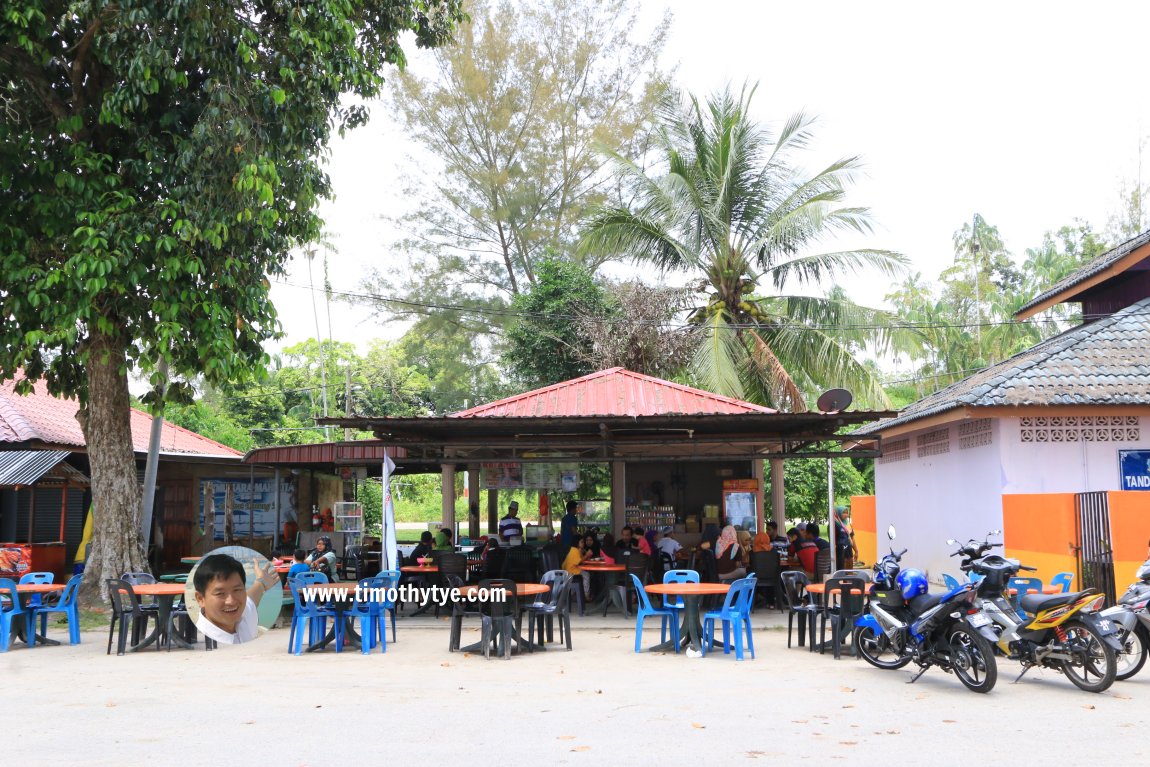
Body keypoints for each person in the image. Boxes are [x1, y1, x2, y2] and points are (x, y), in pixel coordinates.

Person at [193, 553, 279, 645]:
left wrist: (261, 582)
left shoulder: (244, 614)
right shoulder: (201, 641)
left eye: (237, 590)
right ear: (200, 599)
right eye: (220, 593)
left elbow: (252, 597)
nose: (231, 601)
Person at [562, 536, 592, 600]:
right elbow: (579, 561)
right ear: (577, 543)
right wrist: (587, 555)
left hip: (572, 569)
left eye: (583, 542)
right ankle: (586, 595)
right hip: (571, 570)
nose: (583, 543)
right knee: (587, 575)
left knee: (584, 575)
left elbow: (581, 560)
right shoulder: (574, 550)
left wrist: (585, 554)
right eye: (581, 542)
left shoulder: (577, 550)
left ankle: (572, 594)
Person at [835, 505, 858, 569]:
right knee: (842, 571)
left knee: (849, 571)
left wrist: (856, 551)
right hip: (840, 552)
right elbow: (832, 540)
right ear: (838, 513)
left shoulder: (848, 524)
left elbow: (852, 538)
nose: (846, 515)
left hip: (849, 551)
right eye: (843, 512)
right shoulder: (835, 524)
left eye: (846, 513)